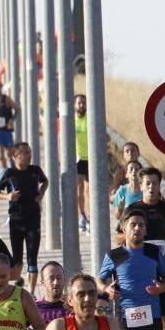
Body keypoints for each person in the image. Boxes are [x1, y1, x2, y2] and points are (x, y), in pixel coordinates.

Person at [125, 166, 165, 330]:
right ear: (141, 185)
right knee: (138, 312)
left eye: (155, 183)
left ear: (160, 185)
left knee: (164, 316)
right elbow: (119, 236)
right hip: (138, 269)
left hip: (162, 269)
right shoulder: (133, 210)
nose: (151, 187)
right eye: (148, 183)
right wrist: (133, 236)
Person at [0, 142, 48, 293]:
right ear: (15, 156)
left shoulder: (35, 170)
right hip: (16, 221)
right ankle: (18, 280)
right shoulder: (8, 173)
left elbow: (45, 181)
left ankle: (31, 293)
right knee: (17, 259)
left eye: (29, 152)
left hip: (33, 219)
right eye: (24, 153)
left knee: (32, 258)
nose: (28, 156)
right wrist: (8, 196)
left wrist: (41, 193)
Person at [73, 94, 90, 232]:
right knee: (79, 190)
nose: (81, 105)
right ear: (74, 105)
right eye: (79, 103)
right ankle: (82, 216)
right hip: (78, 159)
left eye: (83, 103)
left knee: (89, 190)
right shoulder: (71, 120)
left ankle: (90, 217)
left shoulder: (90, 118)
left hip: (91, 158)